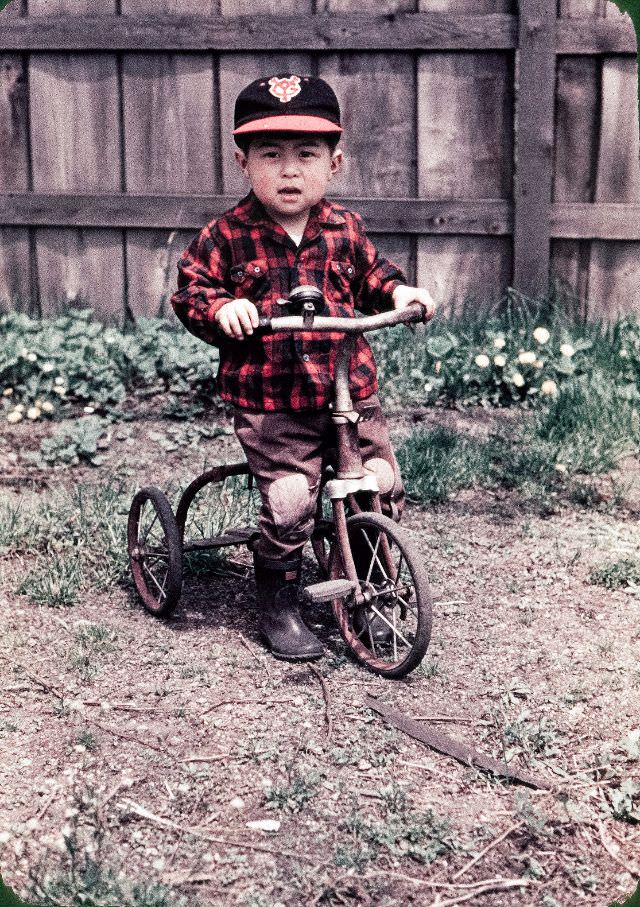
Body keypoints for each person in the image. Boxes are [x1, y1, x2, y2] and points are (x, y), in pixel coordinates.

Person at [171, 73, 435, 662]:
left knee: (375, 485)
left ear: (335, 162)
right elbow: (190, 293)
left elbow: (374, 276)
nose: (289, 171)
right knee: (291, 500)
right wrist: (222, 308)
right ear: (243, 163)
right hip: (273, 405)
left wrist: (398, 295)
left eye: (306, 155)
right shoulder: (225, 235)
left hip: (350, 397)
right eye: (271, 155)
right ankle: (280, 603)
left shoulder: (344, 228)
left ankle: (370, 588)